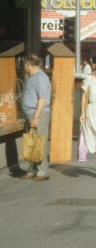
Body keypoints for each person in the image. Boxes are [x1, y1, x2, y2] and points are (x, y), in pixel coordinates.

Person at [19, 53, 52, 181]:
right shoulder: (32, 77)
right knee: (32, 142)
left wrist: (36, 117)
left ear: (28, 64)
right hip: (31, 113)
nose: (24, 68)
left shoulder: (41, 77)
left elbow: (43, 99)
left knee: (39, 141)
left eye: (24, 65)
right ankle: (32, 170)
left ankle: (42, 172)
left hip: (38, 113)